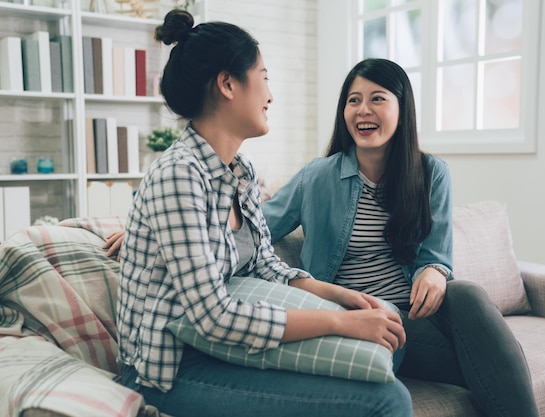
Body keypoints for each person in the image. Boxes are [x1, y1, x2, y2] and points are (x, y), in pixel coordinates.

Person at [112, 10, 412, 417]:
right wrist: (342, 323)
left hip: (221, 349)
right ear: (228, 84)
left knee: (384, 340)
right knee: (388, 400)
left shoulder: (240, 170)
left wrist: (345, 298)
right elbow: (213, 317)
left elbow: (266, 266)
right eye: (264, 77)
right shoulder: (178, 175)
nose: (270, 95)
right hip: (171, 370)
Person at [261, 58, 540, 417]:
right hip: (355, 318)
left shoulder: (431, 174)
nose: (363, 110)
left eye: (378, 99)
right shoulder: (317, 177)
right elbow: (256, 229)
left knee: (466, 294)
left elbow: (435, 254)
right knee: (490, 362)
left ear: (401, 108)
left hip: (414, 319)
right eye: (353, 100)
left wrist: (436, 271)